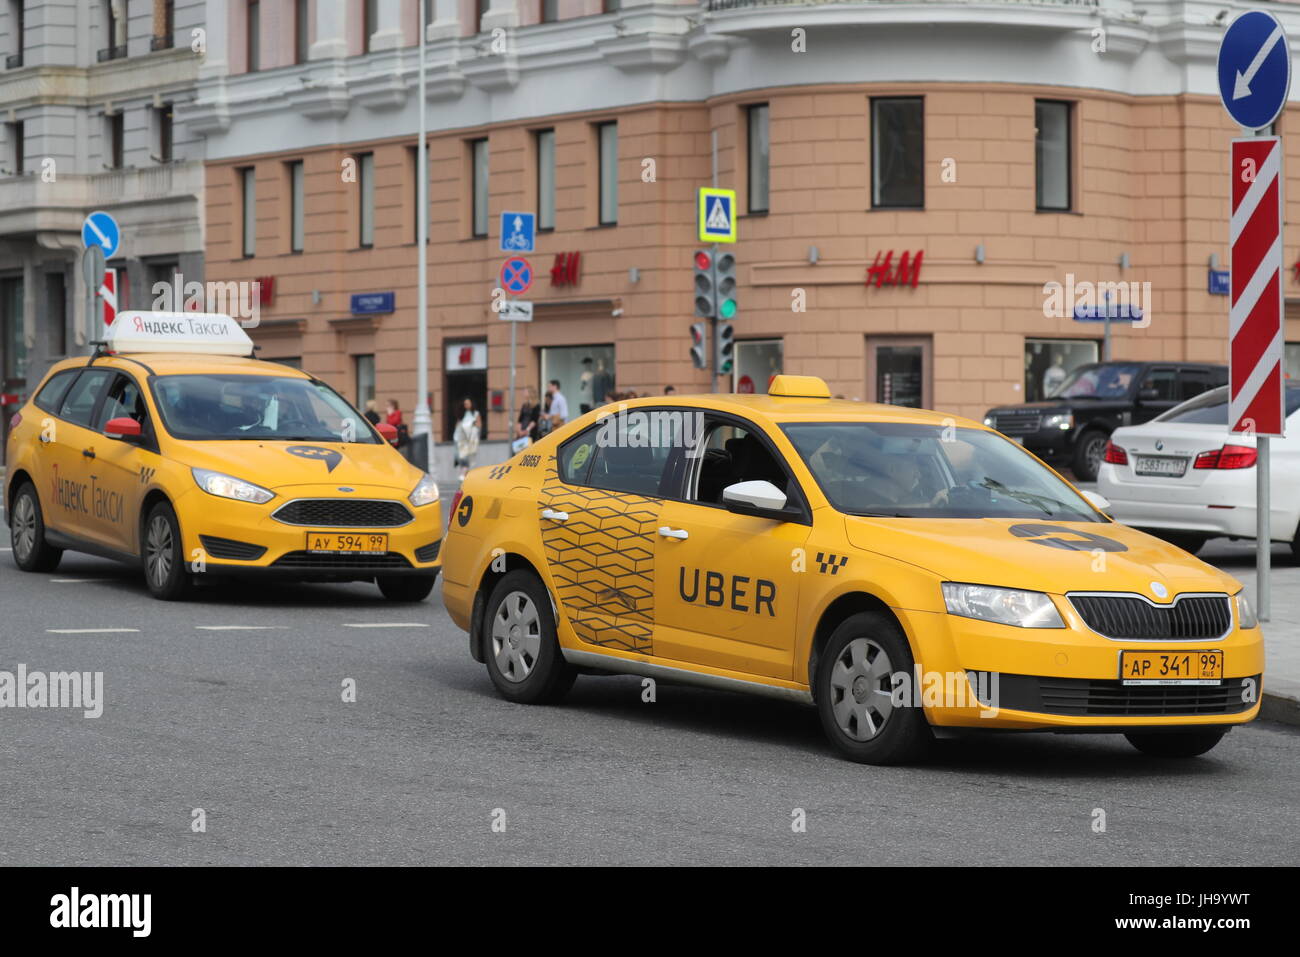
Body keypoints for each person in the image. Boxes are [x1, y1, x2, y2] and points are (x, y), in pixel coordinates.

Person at [454, 398, 482, 480]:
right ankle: (463, 473)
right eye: (465, 404)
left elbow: (479, 425)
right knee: (462, 456)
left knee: (468, 456)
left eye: (468, 403)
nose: (466, 405)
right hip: (462, 439)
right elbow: (457, 426)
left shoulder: (476, 414)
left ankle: (465, 473)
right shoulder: (461, 415)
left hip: (471, 439)